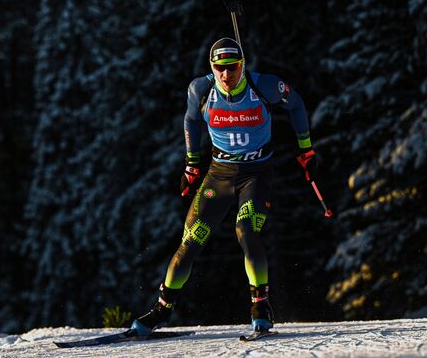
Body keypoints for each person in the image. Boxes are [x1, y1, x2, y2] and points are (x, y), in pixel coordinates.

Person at [130, 37, 317, 335]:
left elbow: (296, 105)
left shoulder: (264, 87)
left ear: (242, 65)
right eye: (220, 68)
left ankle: (260, 306)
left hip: (256, 174)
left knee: (246, 230)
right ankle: (161, 310)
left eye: (232, 68)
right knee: (191, 240)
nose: (226, 75)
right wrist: (192, 164)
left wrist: (306, 149)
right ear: (212, 68)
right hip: (219, 174)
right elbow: (191, 121)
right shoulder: (201, 90)